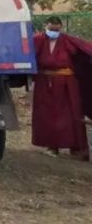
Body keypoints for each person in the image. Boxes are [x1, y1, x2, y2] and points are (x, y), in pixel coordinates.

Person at [31, 17, 92, 159]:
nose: (54, 32)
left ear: (61, 28)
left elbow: (86, 50)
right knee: (47, 114)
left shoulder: (69, 41)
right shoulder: (38, 40)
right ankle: (52, 146)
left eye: (56, 30)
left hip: (67, 84)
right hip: (44, 83)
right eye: (51, 29)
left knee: (72, 113)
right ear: (46, 27)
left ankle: (78, 148)